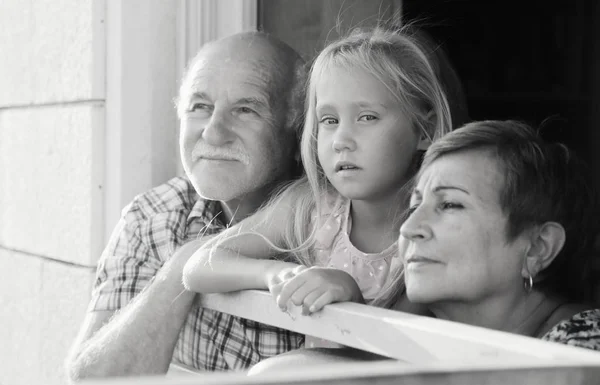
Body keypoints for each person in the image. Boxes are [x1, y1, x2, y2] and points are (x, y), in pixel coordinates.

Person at [66, 31, 309, 379]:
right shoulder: (154, 215)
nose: (213, 132)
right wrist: (185, 265)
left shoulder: (335, 221)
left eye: (245, 109)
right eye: (200, 107)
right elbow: (94, 380)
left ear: (297, 126)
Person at [182, 24, 458, 327]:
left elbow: (389, 360)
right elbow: (198, 267)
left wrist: (351, 298)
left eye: (367, 117)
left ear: (425, 130)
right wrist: (275, 273)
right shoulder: (312, 207)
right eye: (329, 120)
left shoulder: (434, 232)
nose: (341, 140)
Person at [400, 119, 600, 349]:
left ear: (538, 247)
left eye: (450, 204)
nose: (409, 228)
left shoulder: (582, 355)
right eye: (414, 207)